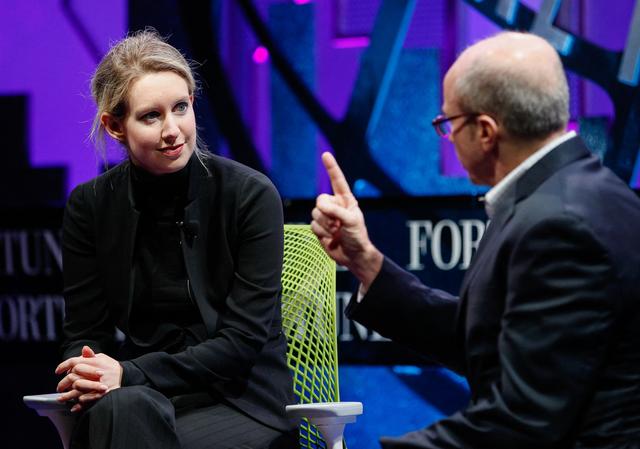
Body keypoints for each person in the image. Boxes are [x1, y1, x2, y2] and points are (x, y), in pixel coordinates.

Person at [311, 31, 640, 448]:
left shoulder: (559, 224)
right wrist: (367, 262)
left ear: (485, 131)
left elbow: (522, 421)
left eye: (447, 123)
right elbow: (488, 340)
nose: (446, 136)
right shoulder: (570, 194)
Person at [54, 29, 298, 449]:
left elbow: (242, 344)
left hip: (241, 398)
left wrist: (128, 373)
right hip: (140, 396)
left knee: (125, 425)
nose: (174, 130)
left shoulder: (250, 195)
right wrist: (89, 369)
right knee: (121, 413)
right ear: (115, 126)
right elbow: (85, 330)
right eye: (151, 116)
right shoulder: (90, 206)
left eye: (181, 108)